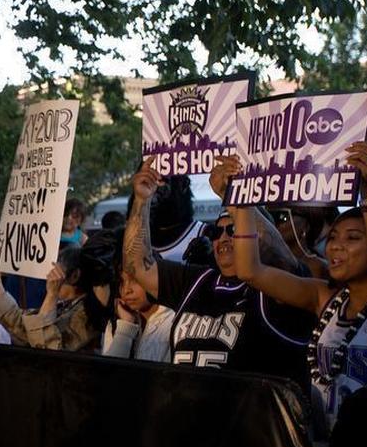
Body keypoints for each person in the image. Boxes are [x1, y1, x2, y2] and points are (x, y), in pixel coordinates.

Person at [227, 143, 367, 447]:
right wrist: (242, 201)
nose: (335, 247)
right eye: (334, 237)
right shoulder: (323, 297)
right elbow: (250, 271)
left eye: (353, 238)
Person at [122, 156, 315, 387]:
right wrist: (142, 200)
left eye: (233, 229)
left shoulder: (279, 287)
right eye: (216, 231)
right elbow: (136, 265)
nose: (223, 238)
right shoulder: (196, 280)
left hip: (251, 420)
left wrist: (233, 196)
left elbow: (277, 253)